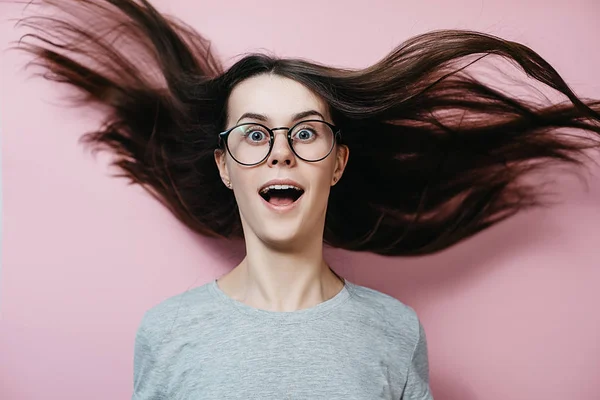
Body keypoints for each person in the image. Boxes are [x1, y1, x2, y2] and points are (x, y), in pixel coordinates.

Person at [13, 0, 600, 399]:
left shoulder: (396, 332)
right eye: (253, 133)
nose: (279, 152)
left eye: (304, 132)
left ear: (337, 163)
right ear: (224, 166)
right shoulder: (167, 332)